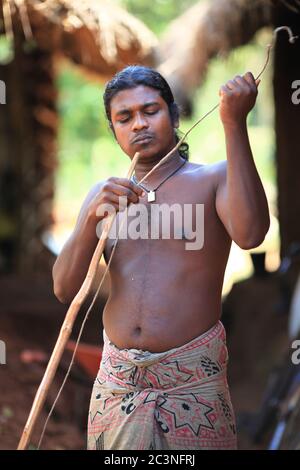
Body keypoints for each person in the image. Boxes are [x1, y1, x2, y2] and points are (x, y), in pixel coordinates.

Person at [52, 65, 270, 450]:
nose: (138, 124)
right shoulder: (103, 197)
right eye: (125, 117)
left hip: (192, 386)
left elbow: (251, 235)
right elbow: (63, 289)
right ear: (114, 129)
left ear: (173, 114)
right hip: (117, 387)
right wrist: (90, 220)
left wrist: (234, 123)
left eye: (150, 111)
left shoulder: (213, 180)